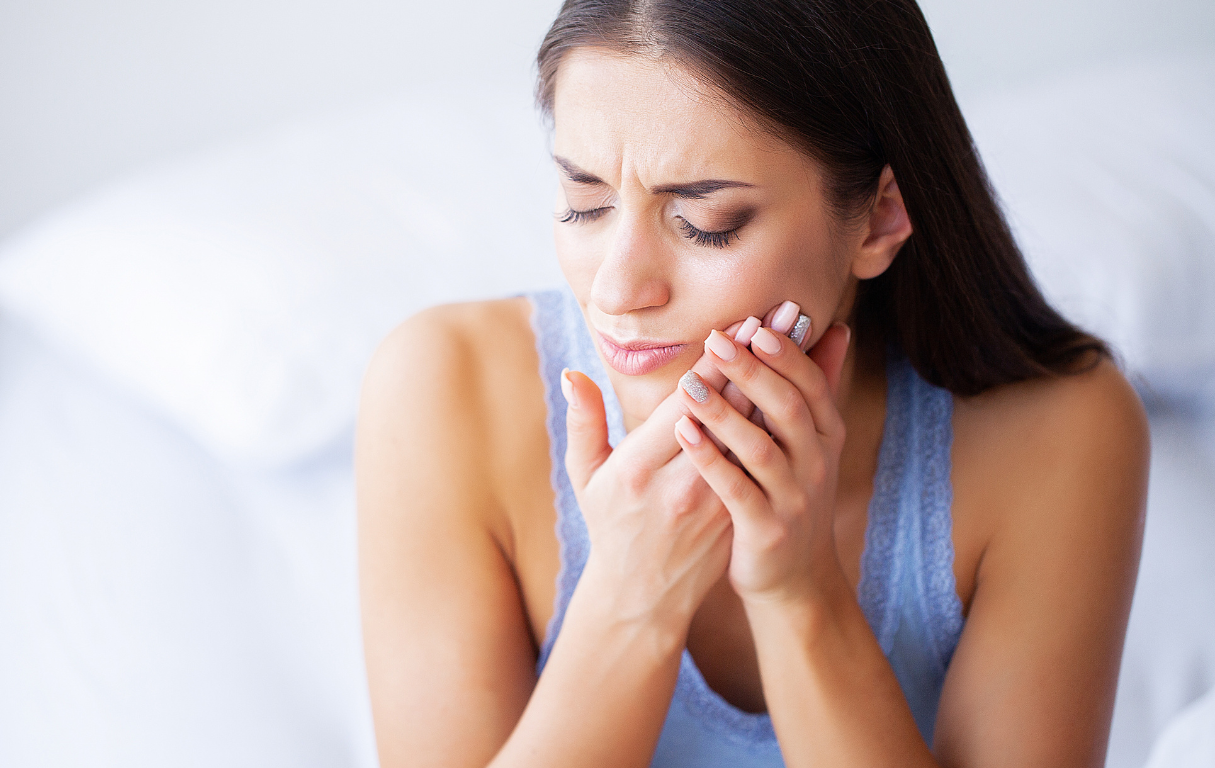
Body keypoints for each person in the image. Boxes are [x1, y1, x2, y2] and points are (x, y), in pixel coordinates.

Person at [355, 1, 1149, 766]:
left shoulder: (1059, 434)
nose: (618, 291)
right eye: (585, 204)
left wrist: (801, 595)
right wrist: (632, 595)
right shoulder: (442, 389)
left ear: (879, 217)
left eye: (707, 225)